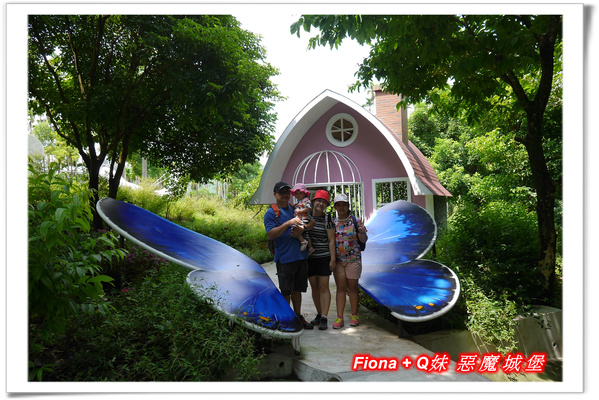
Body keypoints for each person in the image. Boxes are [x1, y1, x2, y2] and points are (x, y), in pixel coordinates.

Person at [264, 181, 314, 329]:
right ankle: (287, 320)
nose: (285, 195)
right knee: (286, 291)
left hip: (300, 256)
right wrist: (288, 223)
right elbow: (271, 234)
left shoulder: (296, 208)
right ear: (275, 194)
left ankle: (297, 317)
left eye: (287, 192)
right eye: (281, 192)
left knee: (297, 290)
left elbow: (312, 223)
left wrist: (303, 228)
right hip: (285, 258)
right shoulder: (271, 213)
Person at [331, 193, 368, 329]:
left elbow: (363, 240)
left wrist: (362, 232)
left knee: (352, 287)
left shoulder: (355, 221)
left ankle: (354, 315)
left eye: (344, 204)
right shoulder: (332, 222)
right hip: (338, 261)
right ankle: (339, 317)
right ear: (335, 207)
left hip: (353, 259)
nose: (341, 207)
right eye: (338, 204)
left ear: (348, 206)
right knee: (340, 288)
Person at [305, 190, 336, 330]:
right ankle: (319, 313)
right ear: (313, 201)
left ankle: (324, 316)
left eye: (324, 202)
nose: (321, 204)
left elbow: (331, 240)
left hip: (324, 257)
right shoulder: (306, 216)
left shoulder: (328, 219)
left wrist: (332, 259)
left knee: (324, 287)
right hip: (310, 258)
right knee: (314, 287)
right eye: (319, 201)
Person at [290, 183, 313, 253]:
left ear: (305, 193)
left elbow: (309, 208)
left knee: (295, 228)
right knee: (306, 234)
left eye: (300, 193)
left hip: (304, 218)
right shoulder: (299, 202)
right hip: (300, 218)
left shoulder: (306, 200)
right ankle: (310, 248)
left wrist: (300, 211)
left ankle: (303, 241)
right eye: (296, 193)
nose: (298, 195)